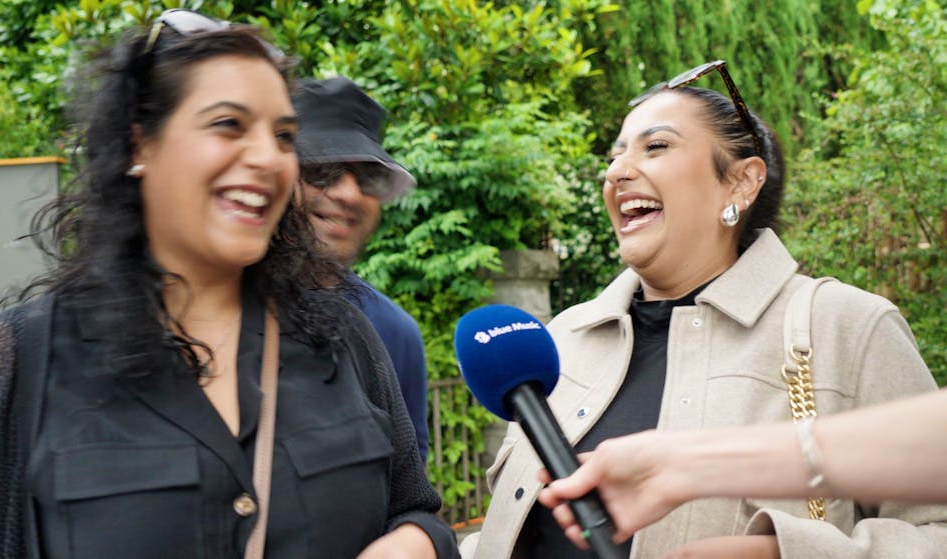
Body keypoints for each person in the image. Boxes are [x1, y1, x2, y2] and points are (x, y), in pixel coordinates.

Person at [0, 9, 457, 559]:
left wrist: (415, 544)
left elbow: (417, 510)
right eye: (227, 124)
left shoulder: (345, 337)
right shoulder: (15, 365)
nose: (268, 158)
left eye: (285, 135)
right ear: (140, 145)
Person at [459, 59, 947, 559]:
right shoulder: (564, 335)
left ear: (741, 182)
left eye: (657, 146)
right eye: (615, 155)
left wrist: (782, 552)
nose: (616, 172)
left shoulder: (847, 326)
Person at [537, 387, 947, 549]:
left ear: (742, 192)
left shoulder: (852, 320)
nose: (613, 192)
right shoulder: (565, 334)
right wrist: (673, 468)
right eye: (603, 188)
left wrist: (792, 553)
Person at [293, 76, 430, 462]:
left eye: (368, 176)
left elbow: (409, 485)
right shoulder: (214, 310)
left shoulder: (392, 332)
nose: (349, 194)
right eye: (322, 170)